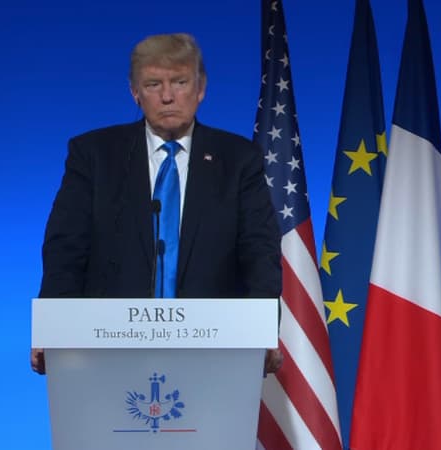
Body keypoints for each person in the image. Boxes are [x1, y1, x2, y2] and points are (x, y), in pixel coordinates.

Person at [31, 33, 283, 374]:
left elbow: (259, 251)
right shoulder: (94, 155)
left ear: (201, 88)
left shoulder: (238, 159)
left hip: (213, 351)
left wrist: (263, 328)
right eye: (153, 84)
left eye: (180, 82)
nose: (167, 97)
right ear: (135, 92)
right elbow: (65, 249)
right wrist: (52, 326)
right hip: (108, 350)